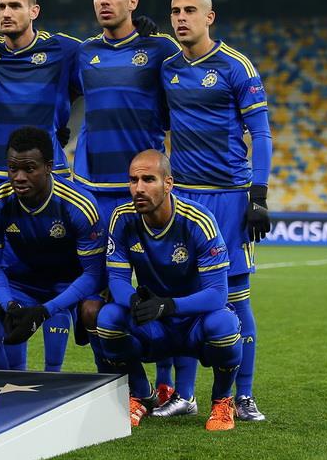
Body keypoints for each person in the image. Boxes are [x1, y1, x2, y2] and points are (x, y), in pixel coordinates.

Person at [74, 0, 186, 400]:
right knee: (99, 292)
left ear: (132, 2)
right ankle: (122, 387)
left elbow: (181, 103)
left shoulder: (161, 49)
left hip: (146, 188)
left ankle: (168, 384)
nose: (104, 0)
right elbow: (57, 94)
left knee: (162, 285)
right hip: (95, 190)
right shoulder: (84, 52)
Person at [161, 0, 272, 421]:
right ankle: (185, 395)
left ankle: (242, 396)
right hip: (183, 197)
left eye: (190, 10)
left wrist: (258, 195)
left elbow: (260, 133)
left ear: (210, 17)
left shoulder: (236, 66)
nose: (181, 17)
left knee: (236, 299)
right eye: (175, 11)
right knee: (183, 295)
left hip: (228, 197)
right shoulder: (168, 68)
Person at [94, 150, 242, 430]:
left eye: (148, 179)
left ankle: (223, 401)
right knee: (109, 318)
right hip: (155, 325)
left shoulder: (198, 220)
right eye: (133, 180)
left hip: (193, 324)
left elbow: (217, 294)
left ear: (168, 184)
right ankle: (141, 395)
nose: (138, 188)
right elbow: (117, 279)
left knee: (224, 324)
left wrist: (169, 305)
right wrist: (134, 300)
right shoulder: (122, 218)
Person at [0, 127, 106, 371]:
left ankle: (108, 381)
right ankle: (0, 376)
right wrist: (9, 304)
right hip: (24, 281)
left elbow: (93, 274)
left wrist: (44, 311)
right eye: (13, 168)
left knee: (94, 311)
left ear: (48, 167)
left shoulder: (79, 206)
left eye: (29, 169)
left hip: (70, 282)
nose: (19, 177)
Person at [0, 0, 80, 182]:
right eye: (1, 6)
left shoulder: (63, 49)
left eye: (15, 6)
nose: (6, 13)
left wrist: (59, 117)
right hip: (0, 170)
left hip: (48, 170)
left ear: (34, 11)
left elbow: (101, 61)